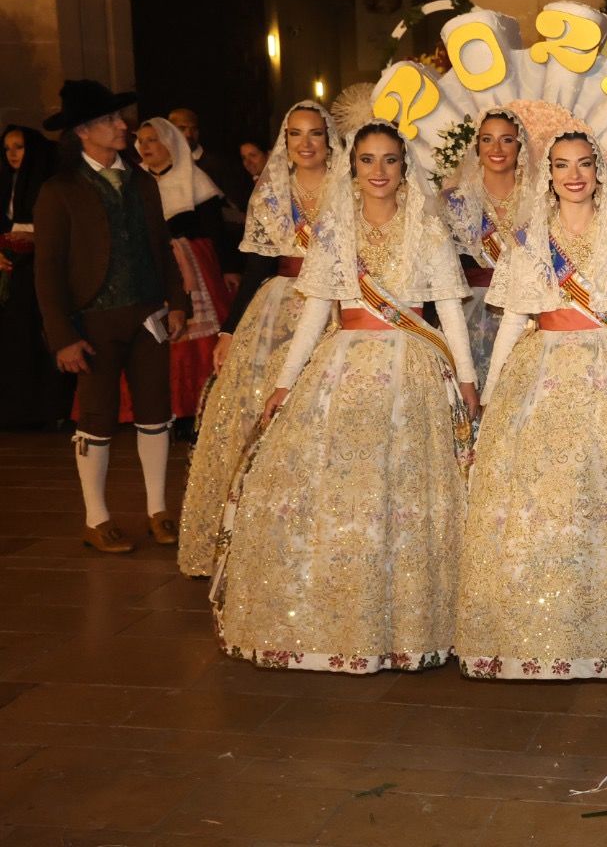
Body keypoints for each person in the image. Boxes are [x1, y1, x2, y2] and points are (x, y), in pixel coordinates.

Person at [211, 120, 476, 673]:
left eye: (390, 161)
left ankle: (406, 617)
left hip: (412, 368)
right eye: (367, 161)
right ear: (352, 168)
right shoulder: (334, 228)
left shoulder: (425, 228)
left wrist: (469, 380)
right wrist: (285, 381)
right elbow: (314, 310)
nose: (378, 171)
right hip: (344, 364)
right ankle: (334, 612)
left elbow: (449, 306)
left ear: (405, 169)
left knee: (401, 490)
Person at [456, 126, 607, 680]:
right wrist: (495, 386)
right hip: (541, 369)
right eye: (561, 166)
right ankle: (536, 627)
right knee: (539, 496)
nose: (573, 175)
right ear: (548, 175)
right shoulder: (529, 239)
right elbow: (511, 318)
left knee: (602, 492)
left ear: (598, 171)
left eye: (583, 164)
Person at [178, 101, 336, 577]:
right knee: (255, 409)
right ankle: (246, 536)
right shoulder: (271, 193)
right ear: (284, 143)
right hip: (277, 309)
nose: (305, 143)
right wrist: (229, 329)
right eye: (295, 134)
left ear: (331, 141)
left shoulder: (349, 189)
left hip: (335, 307)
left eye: (315, 134)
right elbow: (256, 268)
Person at [34, 80, 188, 553]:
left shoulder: (141, 181)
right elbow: (47, 271)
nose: (122, 127)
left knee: (156, 413)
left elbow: (160, 247)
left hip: (148, 315)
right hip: (92, 324)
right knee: (96, 418)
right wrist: (62, 337)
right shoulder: (59, 191)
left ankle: (158, 510)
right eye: (110, 121)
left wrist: (177, 300)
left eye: (119, 118)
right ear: (83, 131)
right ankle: (96, 517)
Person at [133, 117, 239, 420]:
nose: (146, 146)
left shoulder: (194, 179)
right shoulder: (136, 183)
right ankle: (165, 407)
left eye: (152, 139)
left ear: (169, 142)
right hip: (151, 266)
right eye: (141, 141)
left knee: (198, 339)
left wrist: (229, 269)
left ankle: (199, 406)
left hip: (195, 265)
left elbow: (216, 231)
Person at [442, 106, 536, 386]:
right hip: (470, 317)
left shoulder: (540, 202)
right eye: (487, 139)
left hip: (527, 315)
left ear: (519, 146)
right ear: (476, 146)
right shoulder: (453, 203)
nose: (496, 148)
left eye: (506, 139)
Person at [0, 125, 72, 428]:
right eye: (7, 148)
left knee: (44, 334)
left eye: (19, 147)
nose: (13, 154)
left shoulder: (49, 183)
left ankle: (50, 410)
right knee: (15, 338)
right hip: (11, 268)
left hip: (43, 265)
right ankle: (17, 411)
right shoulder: (5, 182)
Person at [169, 106, 252, 215]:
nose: (189, 134)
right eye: (182, 128)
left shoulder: (217, 165)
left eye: (193, 129)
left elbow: (237, 205)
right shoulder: (164, 163)